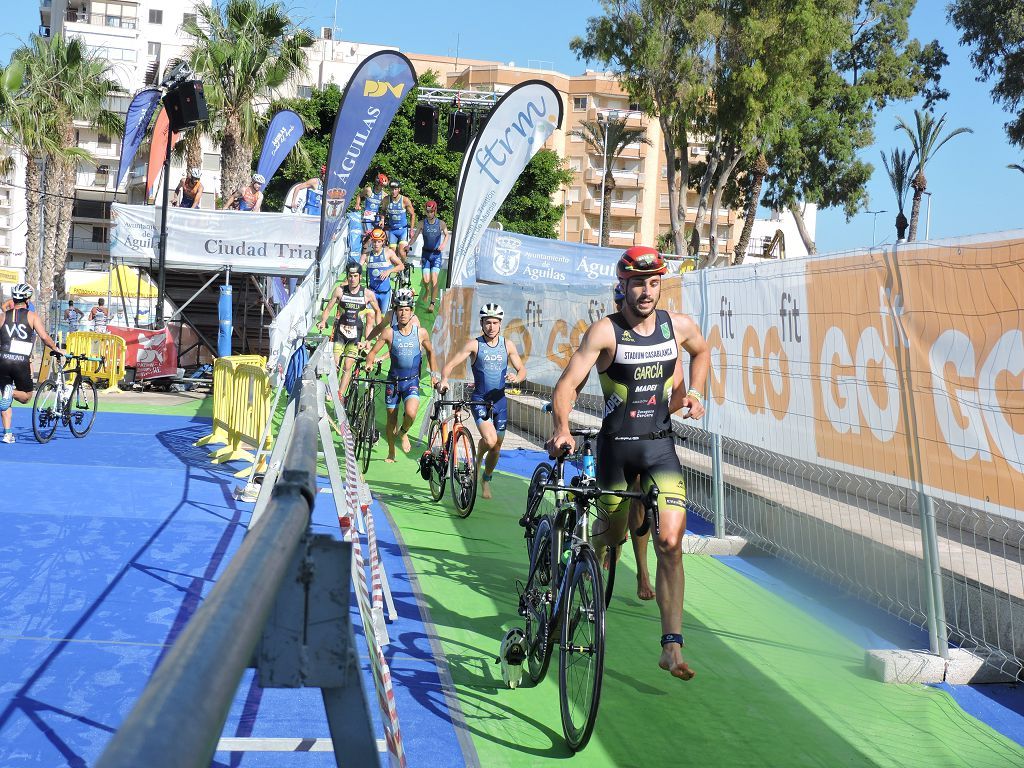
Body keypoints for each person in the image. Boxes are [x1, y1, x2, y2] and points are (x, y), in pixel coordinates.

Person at [545, 246, 709, 681]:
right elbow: (568, 382)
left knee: (671, 543)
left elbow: (704, 351)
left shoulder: (678, 327)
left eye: (654, 283)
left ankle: (671, 647)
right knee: (610, 538)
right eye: (638, 283)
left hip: (659, 447)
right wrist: (562, 426)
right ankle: (572, 586)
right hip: (616, 448)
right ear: (623, 285)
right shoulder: (606, 332)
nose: (647, 291)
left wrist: (695, 392)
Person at [439, 303, 526, 500]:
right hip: (480, 401)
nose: (491, 327)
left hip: (500, 402)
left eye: (495, 323)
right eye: (488, 322)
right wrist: (444, 379)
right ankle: (477, 462)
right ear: (482, 323)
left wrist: (517, 378)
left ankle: (486, 478)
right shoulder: (474, 345)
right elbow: (450, 365)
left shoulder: (508, 345)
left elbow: (522, 369)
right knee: (491, 439)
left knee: (496, 447)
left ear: (500, 324)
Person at [366, 291, 439, 463]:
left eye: (406, 309)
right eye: (400, 309)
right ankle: (391, 451)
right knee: (391, 420)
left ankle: (404, 433)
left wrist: (433, 375)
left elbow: (430, 351)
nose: (403, 313)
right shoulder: (388, 332)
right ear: (395, 311)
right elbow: (373, 353)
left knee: (411, 413)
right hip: (393, 381)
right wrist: (369, 363)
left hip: (412, 381)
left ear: (412, 311)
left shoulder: (420, 333)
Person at [0, 283, 63, 443]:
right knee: (26, 396)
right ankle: (11, 393)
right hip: (20, 360)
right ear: (27, 300)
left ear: (13, 299)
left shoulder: (2, 316)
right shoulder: (32, 316)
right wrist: (56, 348)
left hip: (3, 360)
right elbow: (44, 337)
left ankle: (7, 434)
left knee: (4, 397)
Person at [318, 263, 381, 401]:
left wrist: (378, 329)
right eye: (350, 276)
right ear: (347, 276)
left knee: (348, 364)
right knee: (335, 363)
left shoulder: (367, 294)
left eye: (355, 276)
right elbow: (328, 309)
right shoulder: (339, 291)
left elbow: (377, 311)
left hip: (355, 336)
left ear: (360, 277)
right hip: (340, 334)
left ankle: (339, 394)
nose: (352, 279)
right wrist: (323, 321)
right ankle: (332, 389)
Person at [416, 200, 448, 312]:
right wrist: (408, 245)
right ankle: (427, 290)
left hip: (436, 255)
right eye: (427, 211)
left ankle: (432, 303)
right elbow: (415, 237)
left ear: (435, 211)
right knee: (426, 280)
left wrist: (443, 244)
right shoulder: (421, 223)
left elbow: (446, 234)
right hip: (425, 254)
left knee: (434, 280)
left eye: (431, 212)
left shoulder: (441, 223)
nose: (429, 214)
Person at [365, 227, 404, 316]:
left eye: (379, 241)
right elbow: (357, 269)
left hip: (385, 293)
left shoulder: (389, 252)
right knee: (370, 318)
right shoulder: (367, 255)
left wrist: (389, 271)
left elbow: (401, 266)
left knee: (383, 319)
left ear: (383, 242)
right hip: (372, 292)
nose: (376, 244)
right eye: (374, 241)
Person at [383, 180, 416, 264]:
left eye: (395, 189)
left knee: (402, 251)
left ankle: (404, 268)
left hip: (402, 230)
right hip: (392, 230)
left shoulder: (404, 200)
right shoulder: (386, 199)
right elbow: (383, 211)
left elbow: (412, 214)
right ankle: (397, 270)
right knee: (392, 252)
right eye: (391, 189)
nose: (393, 191)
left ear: (399, 189)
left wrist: (411, 230)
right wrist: (382, 219)